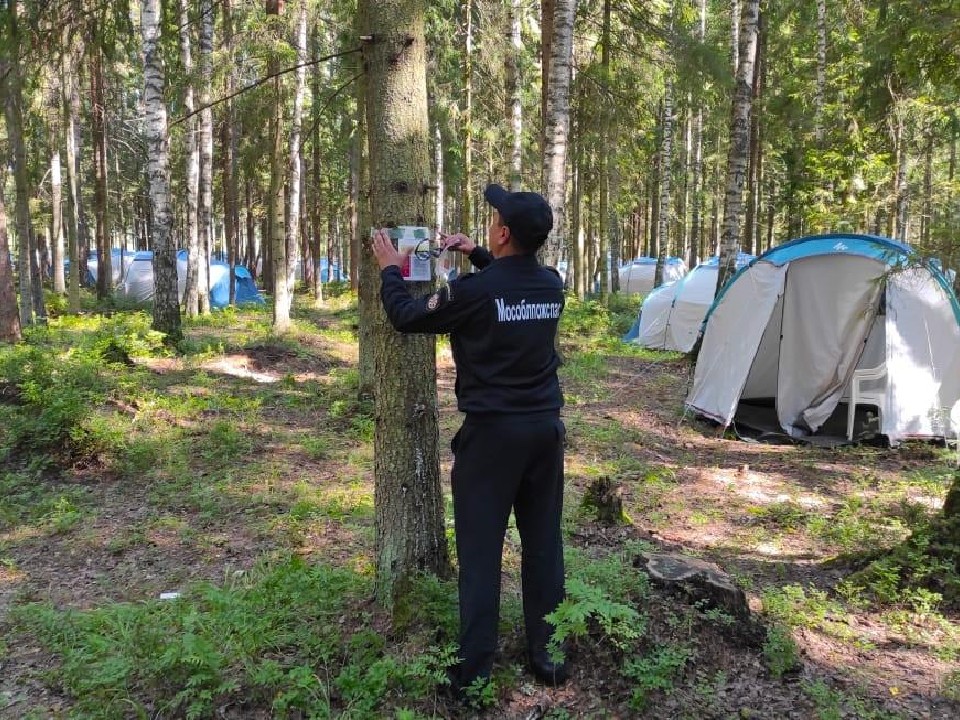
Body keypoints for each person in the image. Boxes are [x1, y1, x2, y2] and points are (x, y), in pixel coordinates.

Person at [370, 183, 569, 699]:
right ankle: (548, 654)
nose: (489, 224)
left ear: (503, 232)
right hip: (545, 433)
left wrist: (391, 268)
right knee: (543, 544)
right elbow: (512, 288)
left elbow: (408, 317)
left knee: (481, 555)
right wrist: (477, 254)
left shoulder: (474, 292)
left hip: (492, 439)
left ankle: (473, 674)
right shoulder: (551, 286)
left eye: (493, 219)